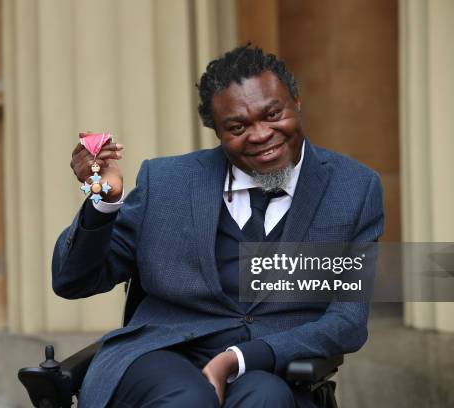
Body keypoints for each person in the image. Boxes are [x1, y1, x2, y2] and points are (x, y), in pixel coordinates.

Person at [53, 45, 384, 408]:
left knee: (267, 399)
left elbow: (347, 320)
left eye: (272, 114)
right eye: (237, 126)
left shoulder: (353, 189)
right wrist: (103, 203)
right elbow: (74, 281)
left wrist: (241, 358)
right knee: (189, 400)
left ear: (296, 103)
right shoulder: (166, 183)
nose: (260, 134)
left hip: (270, 363)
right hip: (162, 354)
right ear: (217, 132)